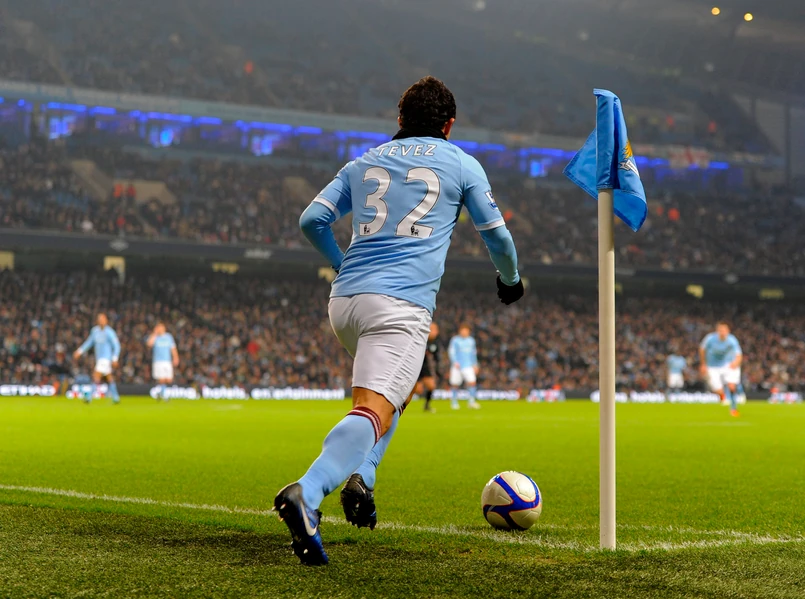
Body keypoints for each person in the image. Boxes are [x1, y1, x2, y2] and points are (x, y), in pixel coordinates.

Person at [275, 76, 524, 566]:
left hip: (344, 303)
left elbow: (311, 220)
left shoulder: (363, 162)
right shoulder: (461, 163)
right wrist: (511, 280)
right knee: (374, 407)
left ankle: (363, 477)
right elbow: (497, 237)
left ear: (400, 120)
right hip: (399, 307)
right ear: (449, 125)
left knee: (395, 395)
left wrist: (342, 263)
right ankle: (308, 491)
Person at [73, 313, 121, 404]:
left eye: (103, 319)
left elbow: (117, 346)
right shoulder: (95, 331)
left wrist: (115, 358)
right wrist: (80, 351)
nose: (101, 321)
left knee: (96, 376)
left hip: (106, 359)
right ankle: (116, 397)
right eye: (99, 319)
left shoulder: (110, 332)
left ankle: (89, 397)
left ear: (106, 320)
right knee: (109, 378)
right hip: (99, 359)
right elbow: (89, 342)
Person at [699, 322, 743, 417]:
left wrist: (736, 362)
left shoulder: (732, 340)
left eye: (724, 330)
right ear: (717, 331)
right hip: (712, 366)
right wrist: (703, 364)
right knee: (718, 390)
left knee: (731, 386)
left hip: (728, 364)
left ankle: (733, 408)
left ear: (728, 331)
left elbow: (739, 355)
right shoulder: (710, 339)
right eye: (720, 330)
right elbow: (702, 349)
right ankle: (723, 396)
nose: (722, 332)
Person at [448, 324, 480, 410]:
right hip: (457, 366)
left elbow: (473, 353)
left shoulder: (471, 341)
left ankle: (471, 402)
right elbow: (451, 352)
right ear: (460, 331)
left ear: (468, 332)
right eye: (463, 330)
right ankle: (454, 402)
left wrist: (475, 364)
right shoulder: (455, 340)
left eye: (466, 330)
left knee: (472, 382)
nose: (464, 332)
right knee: (455, 384)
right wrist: (455, 362)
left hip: (468, 365)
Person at [147, 322, 179, 400]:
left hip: (167, 361)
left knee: (169, 379)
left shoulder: (169, 337)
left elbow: (173, 348)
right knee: (161, 379)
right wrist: (154, 333)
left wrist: (176, 357)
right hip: (158, 361)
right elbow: (149, 344)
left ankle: (160, 392)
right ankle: (164, 395)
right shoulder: (155, 337)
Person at [415, 323, 442, 413]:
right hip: (415, 367)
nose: (434, 332)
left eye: (435, 330)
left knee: (431, 386)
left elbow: (436, 358)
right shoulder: (420, 339)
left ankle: (426, 405)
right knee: (418, 390)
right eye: (432, 329)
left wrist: (437, 370)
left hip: (426, 368)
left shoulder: (436, 343)